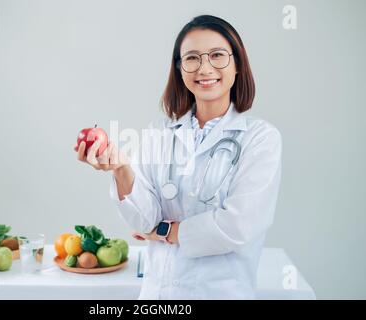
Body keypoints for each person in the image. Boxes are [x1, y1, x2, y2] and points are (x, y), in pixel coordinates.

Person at [74, 15, 282, 299]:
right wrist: (121, 169)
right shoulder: (159, 132)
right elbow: (141, 219)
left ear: (237, 65)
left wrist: (164, 231)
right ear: (180, 69)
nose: (204, 67)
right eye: (192, 58)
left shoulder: (261, 138)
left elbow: (237, 227)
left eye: (218, 55)